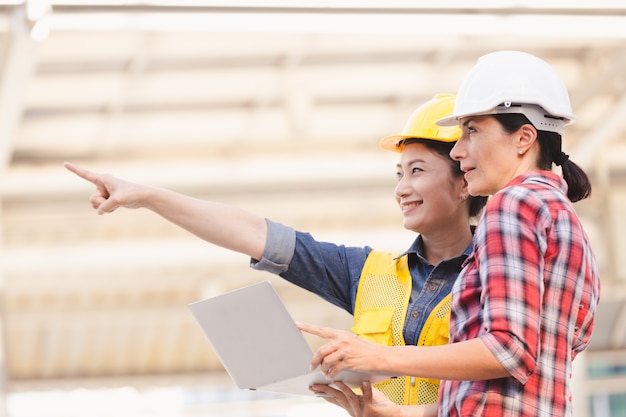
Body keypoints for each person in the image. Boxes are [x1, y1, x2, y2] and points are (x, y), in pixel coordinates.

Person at [64, 93, 487, 415]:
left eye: (417, 172)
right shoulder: (367, 272)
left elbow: (503, 386)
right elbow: (255, 234)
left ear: (464, 181)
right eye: (399, 174)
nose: (401, 189)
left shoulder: (497, 278)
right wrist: (148, 196)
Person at [298, 50, 601, 417]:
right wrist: (397, 413)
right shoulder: (565, 219)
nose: (458, 150)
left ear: (523, 138)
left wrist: (382, 357)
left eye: (472, 130)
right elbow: (510, 382)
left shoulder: (512, 204)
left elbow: (508, 349)